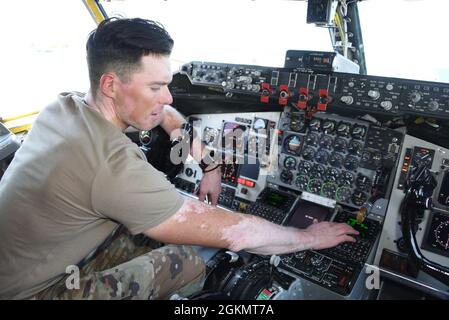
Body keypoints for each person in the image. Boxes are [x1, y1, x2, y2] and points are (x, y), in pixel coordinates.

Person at [0, 17, 358, 300]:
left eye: (167, 85)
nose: (168, 98)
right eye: (155, 88)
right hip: (32, 291)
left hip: (23, 260)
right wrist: (310, 237)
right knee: (186, 259)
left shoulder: (66, 106)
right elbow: (239, 233)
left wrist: (211, 166)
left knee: (150, 234)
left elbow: (167, 117)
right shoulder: (113, 168)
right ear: (111, 84)